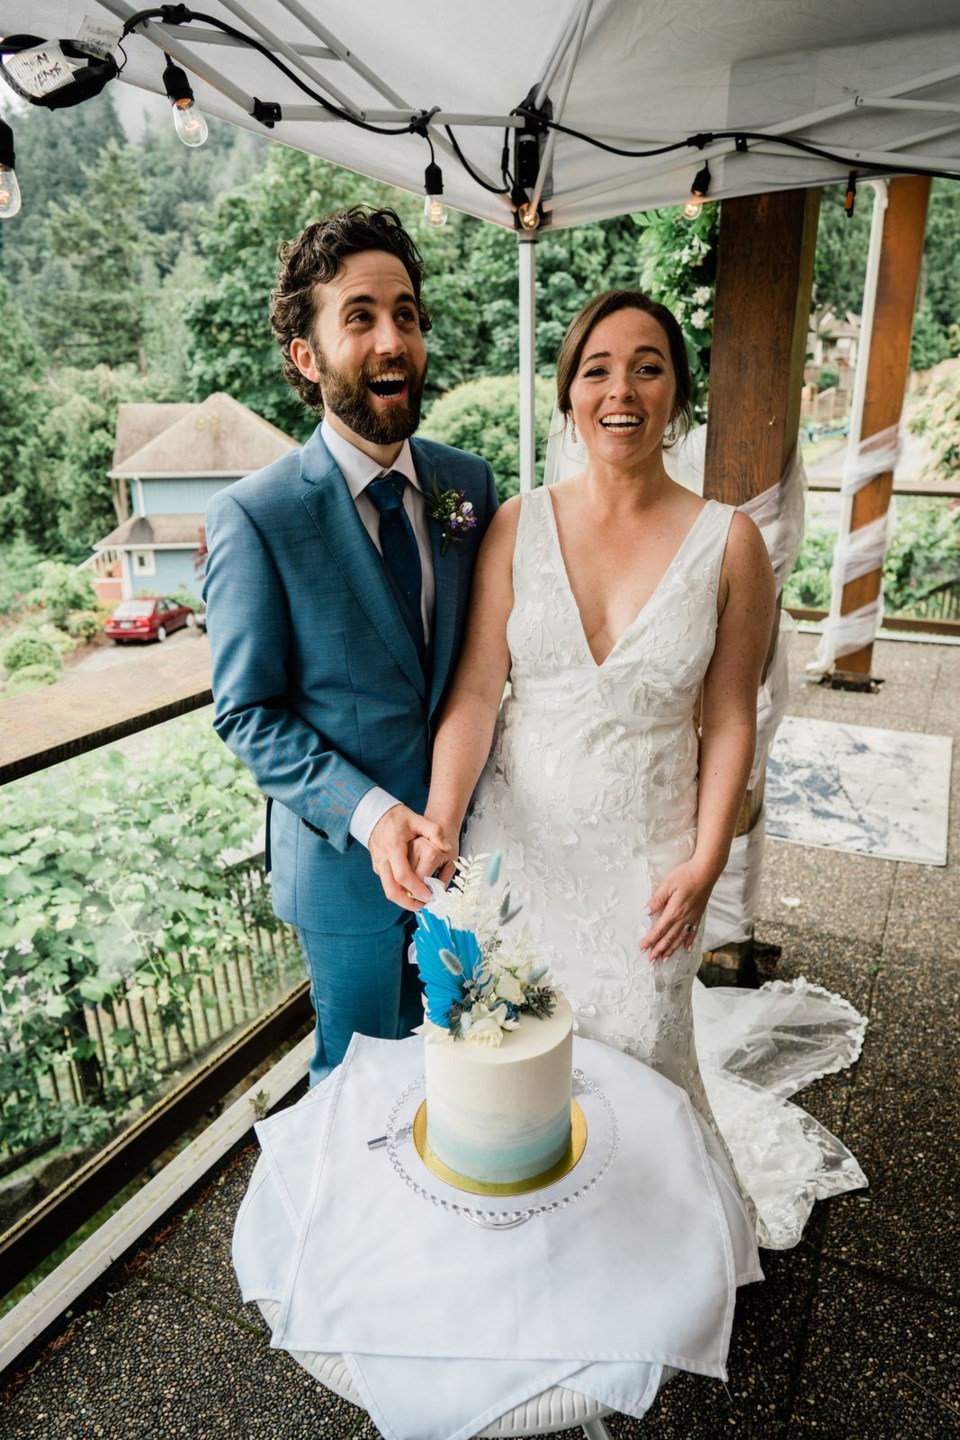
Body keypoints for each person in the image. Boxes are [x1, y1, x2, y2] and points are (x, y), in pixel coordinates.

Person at [405, 289, 867, 1247]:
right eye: (598, 369)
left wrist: (703, 865)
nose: (622, 389)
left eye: (648, 366)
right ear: (572, 393)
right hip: (515, 860)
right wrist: (442, 820)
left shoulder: (729, 543)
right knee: (520, 1084)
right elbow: (476, 697)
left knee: (638, 1070)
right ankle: (531, 1244)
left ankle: (649, 1251)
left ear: (677, 396)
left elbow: (731, 715)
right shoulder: (513, 525)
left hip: (649, 867)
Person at [203, 206, 497, 1085]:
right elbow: (247, 713)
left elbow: (478, 664)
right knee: (361, 1092)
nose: (391, 341)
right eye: (360, 317)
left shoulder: (468, 485)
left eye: (405, 314)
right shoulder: (256, 517)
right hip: (343, 875)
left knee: (467, 1069)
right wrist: (371, 817)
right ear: (308, 355)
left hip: (469, 850)